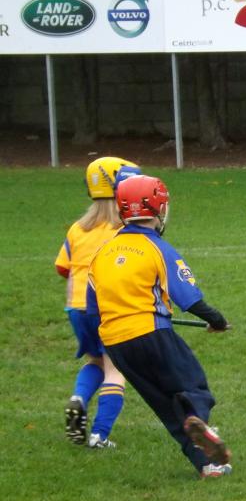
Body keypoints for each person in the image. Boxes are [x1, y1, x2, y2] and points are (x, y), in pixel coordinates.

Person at [86, 174, 233, 479]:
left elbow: (92, 307)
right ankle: (197, 420)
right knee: (194, 388)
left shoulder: (101, 253)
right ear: (157, 208)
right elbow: (190, 299)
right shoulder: (158, 248)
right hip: (152, 332)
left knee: (166, 408)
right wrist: (217, 321)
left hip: (115, 343)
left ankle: (208, 465)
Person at [57, 156, 141, 448]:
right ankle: (99, 435)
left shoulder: (78, 228)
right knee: (115, 369)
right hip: (107, 308)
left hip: (76, 308)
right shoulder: (125, 229)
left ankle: (79, 398)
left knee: (95, 359)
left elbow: (62, 268)